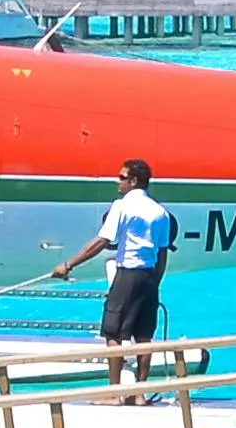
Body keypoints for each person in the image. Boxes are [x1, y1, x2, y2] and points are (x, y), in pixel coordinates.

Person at [47, 158, 176, 380]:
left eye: (122, 178)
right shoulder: (160, 212)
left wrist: (68, 265)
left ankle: (114, 392)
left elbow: (102, 241)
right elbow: (162, 252)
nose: (118, 182)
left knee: (112, 331)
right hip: (149, 276)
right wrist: (155, 282)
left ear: (133, 181)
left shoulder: (122, 206)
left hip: (127, 274)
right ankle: (140, 392)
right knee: (143, 336)